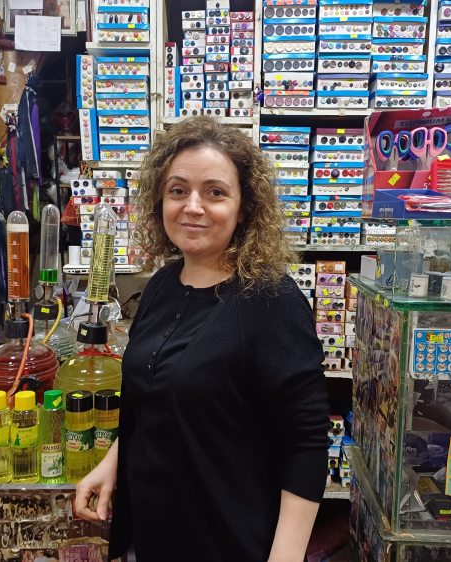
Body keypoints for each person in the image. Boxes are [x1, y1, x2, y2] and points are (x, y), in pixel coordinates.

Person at [75, 117, 329, 562]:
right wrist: (111, 462)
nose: (193, 207)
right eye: (178, 190)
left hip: (230, 542)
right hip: (155, 537)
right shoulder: (161, 285)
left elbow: (306, 444)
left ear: (243, 207)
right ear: (160, 200)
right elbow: (153, 401)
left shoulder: (271, 299)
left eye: (215, 192)